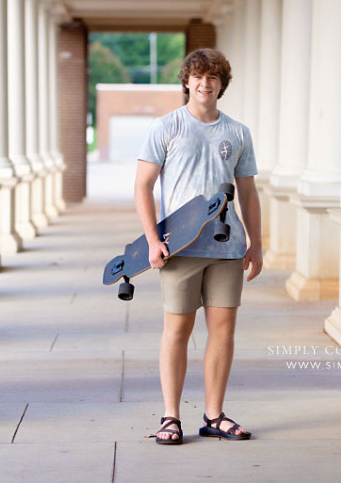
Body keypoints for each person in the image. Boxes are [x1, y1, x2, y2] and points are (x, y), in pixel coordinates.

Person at [134, 47, 263, 445]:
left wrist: (256, 244)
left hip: (227, 249)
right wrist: (153, 240)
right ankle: (171, 417)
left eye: (213, 77)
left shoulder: (238, 132)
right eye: (198, 76)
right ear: (186, 81)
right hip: (180, 247)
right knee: (177, 330)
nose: (205, 83)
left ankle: (214, 415)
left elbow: (249, 193)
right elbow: (143, 187)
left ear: (221, 85)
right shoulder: (166, 127)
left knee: (222, 331)